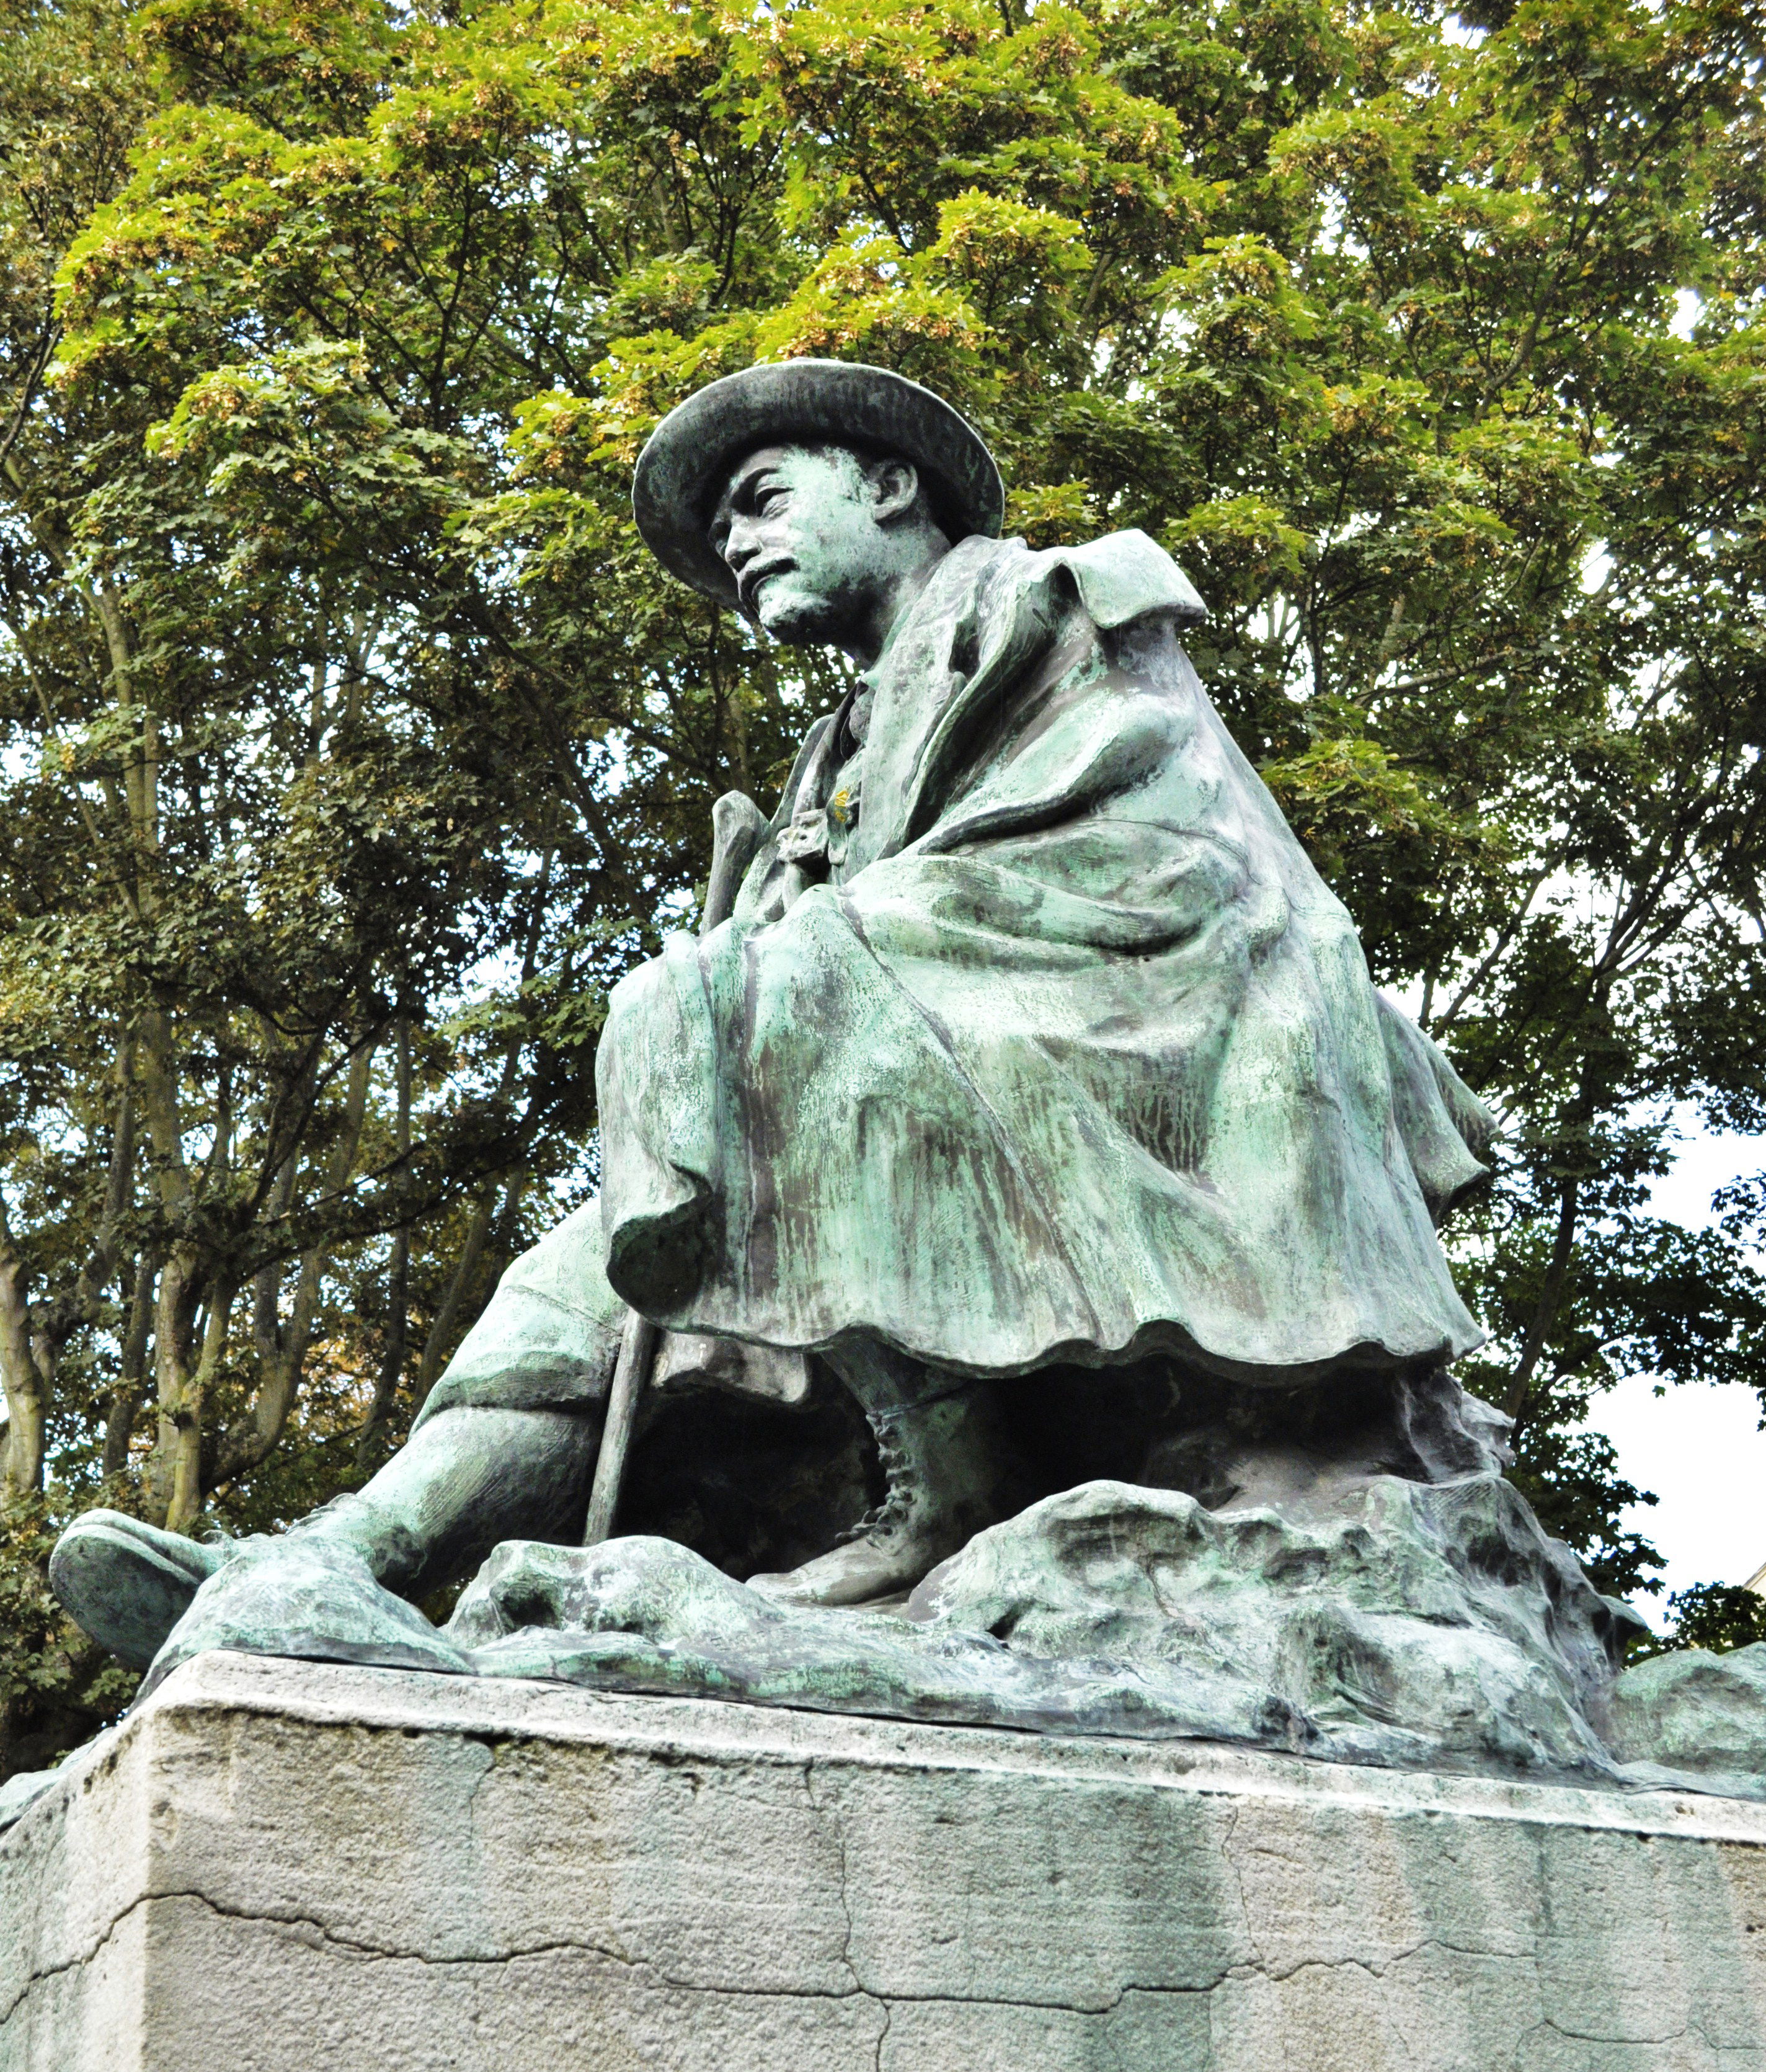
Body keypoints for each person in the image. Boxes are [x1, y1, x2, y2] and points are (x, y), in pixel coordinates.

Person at [50, 360, 1498, 1671]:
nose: (738, 546)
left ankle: (948, 1487)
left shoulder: (1053, 597)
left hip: (1148, 1006)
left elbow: (1162, 837)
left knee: (717, 1013)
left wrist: (780, 967)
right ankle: (337, 1561)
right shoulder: (838, 744)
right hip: (934, 1045)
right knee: (596, 1274)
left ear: (886, 484)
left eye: (758, 500)